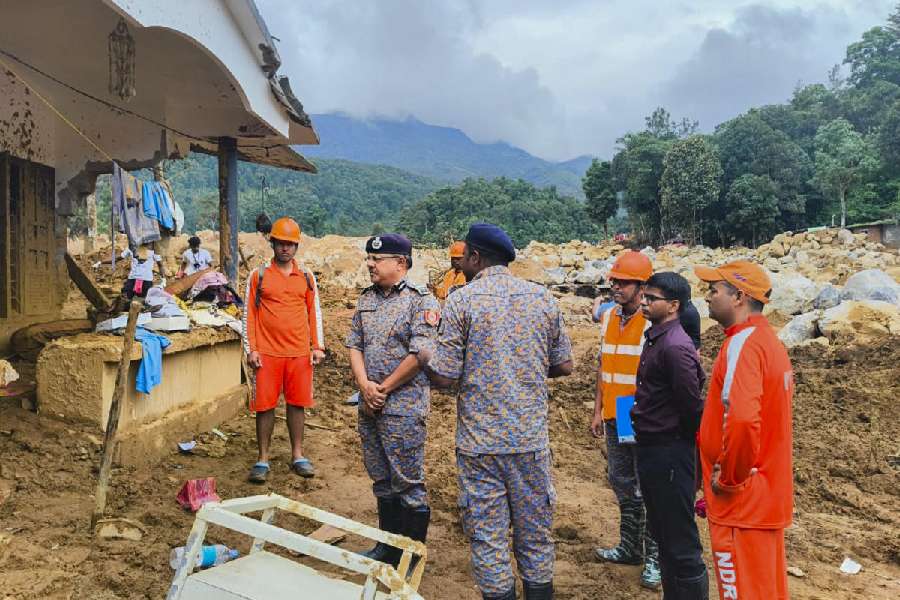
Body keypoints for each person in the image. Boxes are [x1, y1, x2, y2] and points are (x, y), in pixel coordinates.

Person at [419, 223, 573, 600]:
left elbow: (444, 376)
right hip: (529, 441)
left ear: (475, 257)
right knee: (535, 535)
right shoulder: (542, 299)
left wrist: (426, 356)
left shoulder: (462, 301)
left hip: (480, 445)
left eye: (465, 257)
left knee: (488, 540)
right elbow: (564, 365)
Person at [694, 261, 794, 600]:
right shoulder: (767, 340)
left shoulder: (745, 344)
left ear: (739, 296)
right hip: (763, 495)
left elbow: (741, 420)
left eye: (714, 290)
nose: (707, 297)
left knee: (740, 589)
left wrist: (730, 479)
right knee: (764, 588)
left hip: (742, 503)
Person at [345, 233, 440, 565]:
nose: (369, 264)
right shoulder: (366, 299)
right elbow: (354, 343)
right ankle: (386, 548)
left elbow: (422, 354)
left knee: (407, 481)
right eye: (369, 259)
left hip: (402, 408)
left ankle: (410, 558)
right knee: (381, 478)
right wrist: (364, 386)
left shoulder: (421, 301)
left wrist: (382, 388)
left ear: (400, 263)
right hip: (369, 404)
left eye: (377, 259)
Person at [631, 272, 708, 599]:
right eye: (644, 297)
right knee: (664, 534)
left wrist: (680, 447)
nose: (644, 303)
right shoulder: (658, 338)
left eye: (651, 299)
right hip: (653, 449)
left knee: (680, 540)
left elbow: (691, 407)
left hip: (670, 452)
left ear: (674, 305)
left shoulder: (676, 346)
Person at [589, 250, 661, 590]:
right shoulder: (607, 317)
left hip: (639, 415)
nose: (615, 286)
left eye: (623, 282)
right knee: (620, 481)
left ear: (642, 286)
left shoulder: (652, 323)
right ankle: (630, 547)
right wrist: (596, 410)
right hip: (614, 414)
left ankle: (653, 558)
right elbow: (604, 364)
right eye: (614, 281)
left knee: (647, 485)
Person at [242, 217, 325, 483]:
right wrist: (251, 349)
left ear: (296, 246)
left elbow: (314, 312)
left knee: (297, 404)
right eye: (281, 243)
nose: (285, 249)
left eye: (291, 244)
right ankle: (262, 458)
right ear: (273, 243)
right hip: (267, 353)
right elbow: (249, 315)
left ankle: (298, 455)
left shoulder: (307, 277)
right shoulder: (259, 276)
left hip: (299, 353)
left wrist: (317, 346)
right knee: (264, 406)